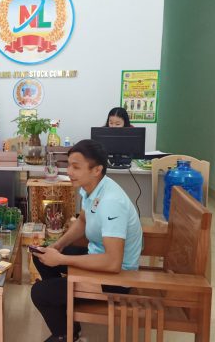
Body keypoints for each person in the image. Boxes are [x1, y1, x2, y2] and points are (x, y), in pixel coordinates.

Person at [30, 140, 142, 342]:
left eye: (76, 167)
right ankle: (65, 305)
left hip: (116, 278)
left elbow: (113, 263)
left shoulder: (111, 203)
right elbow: (82, 221)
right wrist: (58, 246)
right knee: (41, 255)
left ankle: (65, 335)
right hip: (96, 256)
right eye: (68, 165)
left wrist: (62, 259)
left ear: (96, 170)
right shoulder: (92, 188)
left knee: (39, 293)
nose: (69, 172)